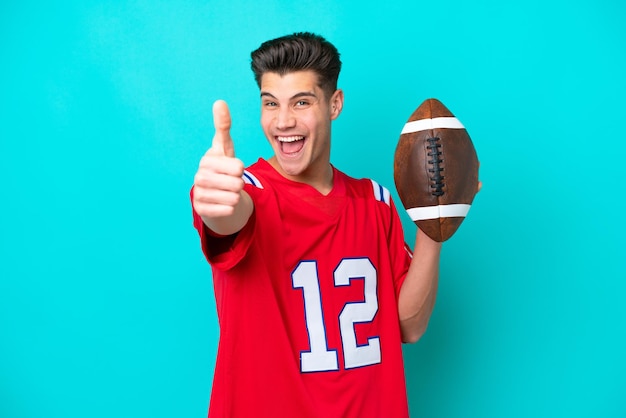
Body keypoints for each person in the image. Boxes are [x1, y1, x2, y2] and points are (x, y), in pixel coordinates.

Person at [191, 32, 446, 418]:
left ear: (335, 104)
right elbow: (227, 216)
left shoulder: (373, 201)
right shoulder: (248, 191)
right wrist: (215, 200)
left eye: (302, 102)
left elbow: (408, 327)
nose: (283, 122)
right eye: (270, 103)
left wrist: (432, 223)